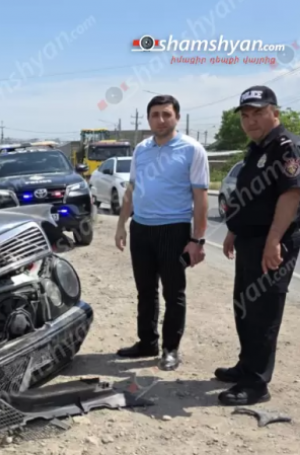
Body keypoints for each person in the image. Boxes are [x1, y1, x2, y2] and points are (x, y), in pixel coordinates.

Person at [217, 85, 300, 405]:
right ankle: (246, 365)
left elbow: (291, 195)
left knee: (263, 312)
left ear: (274, 113)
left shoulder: (286, 147)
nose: (250, 121)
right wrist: (233, 230)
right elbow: (249, 196)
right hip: (249, 240)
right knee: (245, 305)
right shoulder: (256, 148)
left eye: (258, 113)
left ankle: (256, 384)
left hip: (272, 241)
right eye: (245, 115)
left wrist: (274, 240)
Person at [114, 95, 209, 371]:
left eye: (167, 114)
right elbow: (132, 188)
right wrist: (121, 224)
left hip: (174, 230)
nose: (161, 120)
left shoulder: (192, 149)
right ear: (148, 119)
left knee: (173, 293)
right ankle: (147, 342)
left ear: (176, 117)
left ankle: (170, 350)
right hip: (141, 229)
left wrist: (197, 239)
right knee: (145, 291)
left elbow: (201, 197)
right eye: (155, 114)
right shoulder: (141, 150)